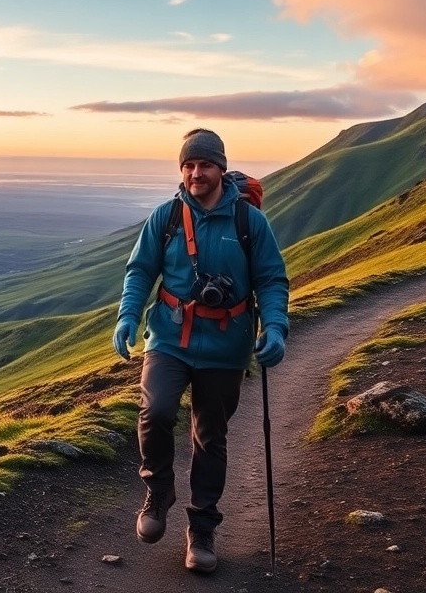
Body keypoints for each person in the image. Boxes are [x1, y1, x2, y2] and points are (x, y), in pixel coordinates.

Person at [112, 128, 289, 573]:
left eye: (204, 165)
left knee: (210, 437)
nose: (195, 173)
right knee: (155, 413)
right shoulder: (166, 216)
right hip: (169, 339)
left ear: (221, 169)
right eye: (188, 166)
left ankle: (202, 528)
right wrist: (128, 316)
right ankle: (159, 490)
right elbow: (140, 272)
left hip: (226, 346)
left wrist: (276, 327)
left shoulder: (250, 223)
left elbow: (271, 280)